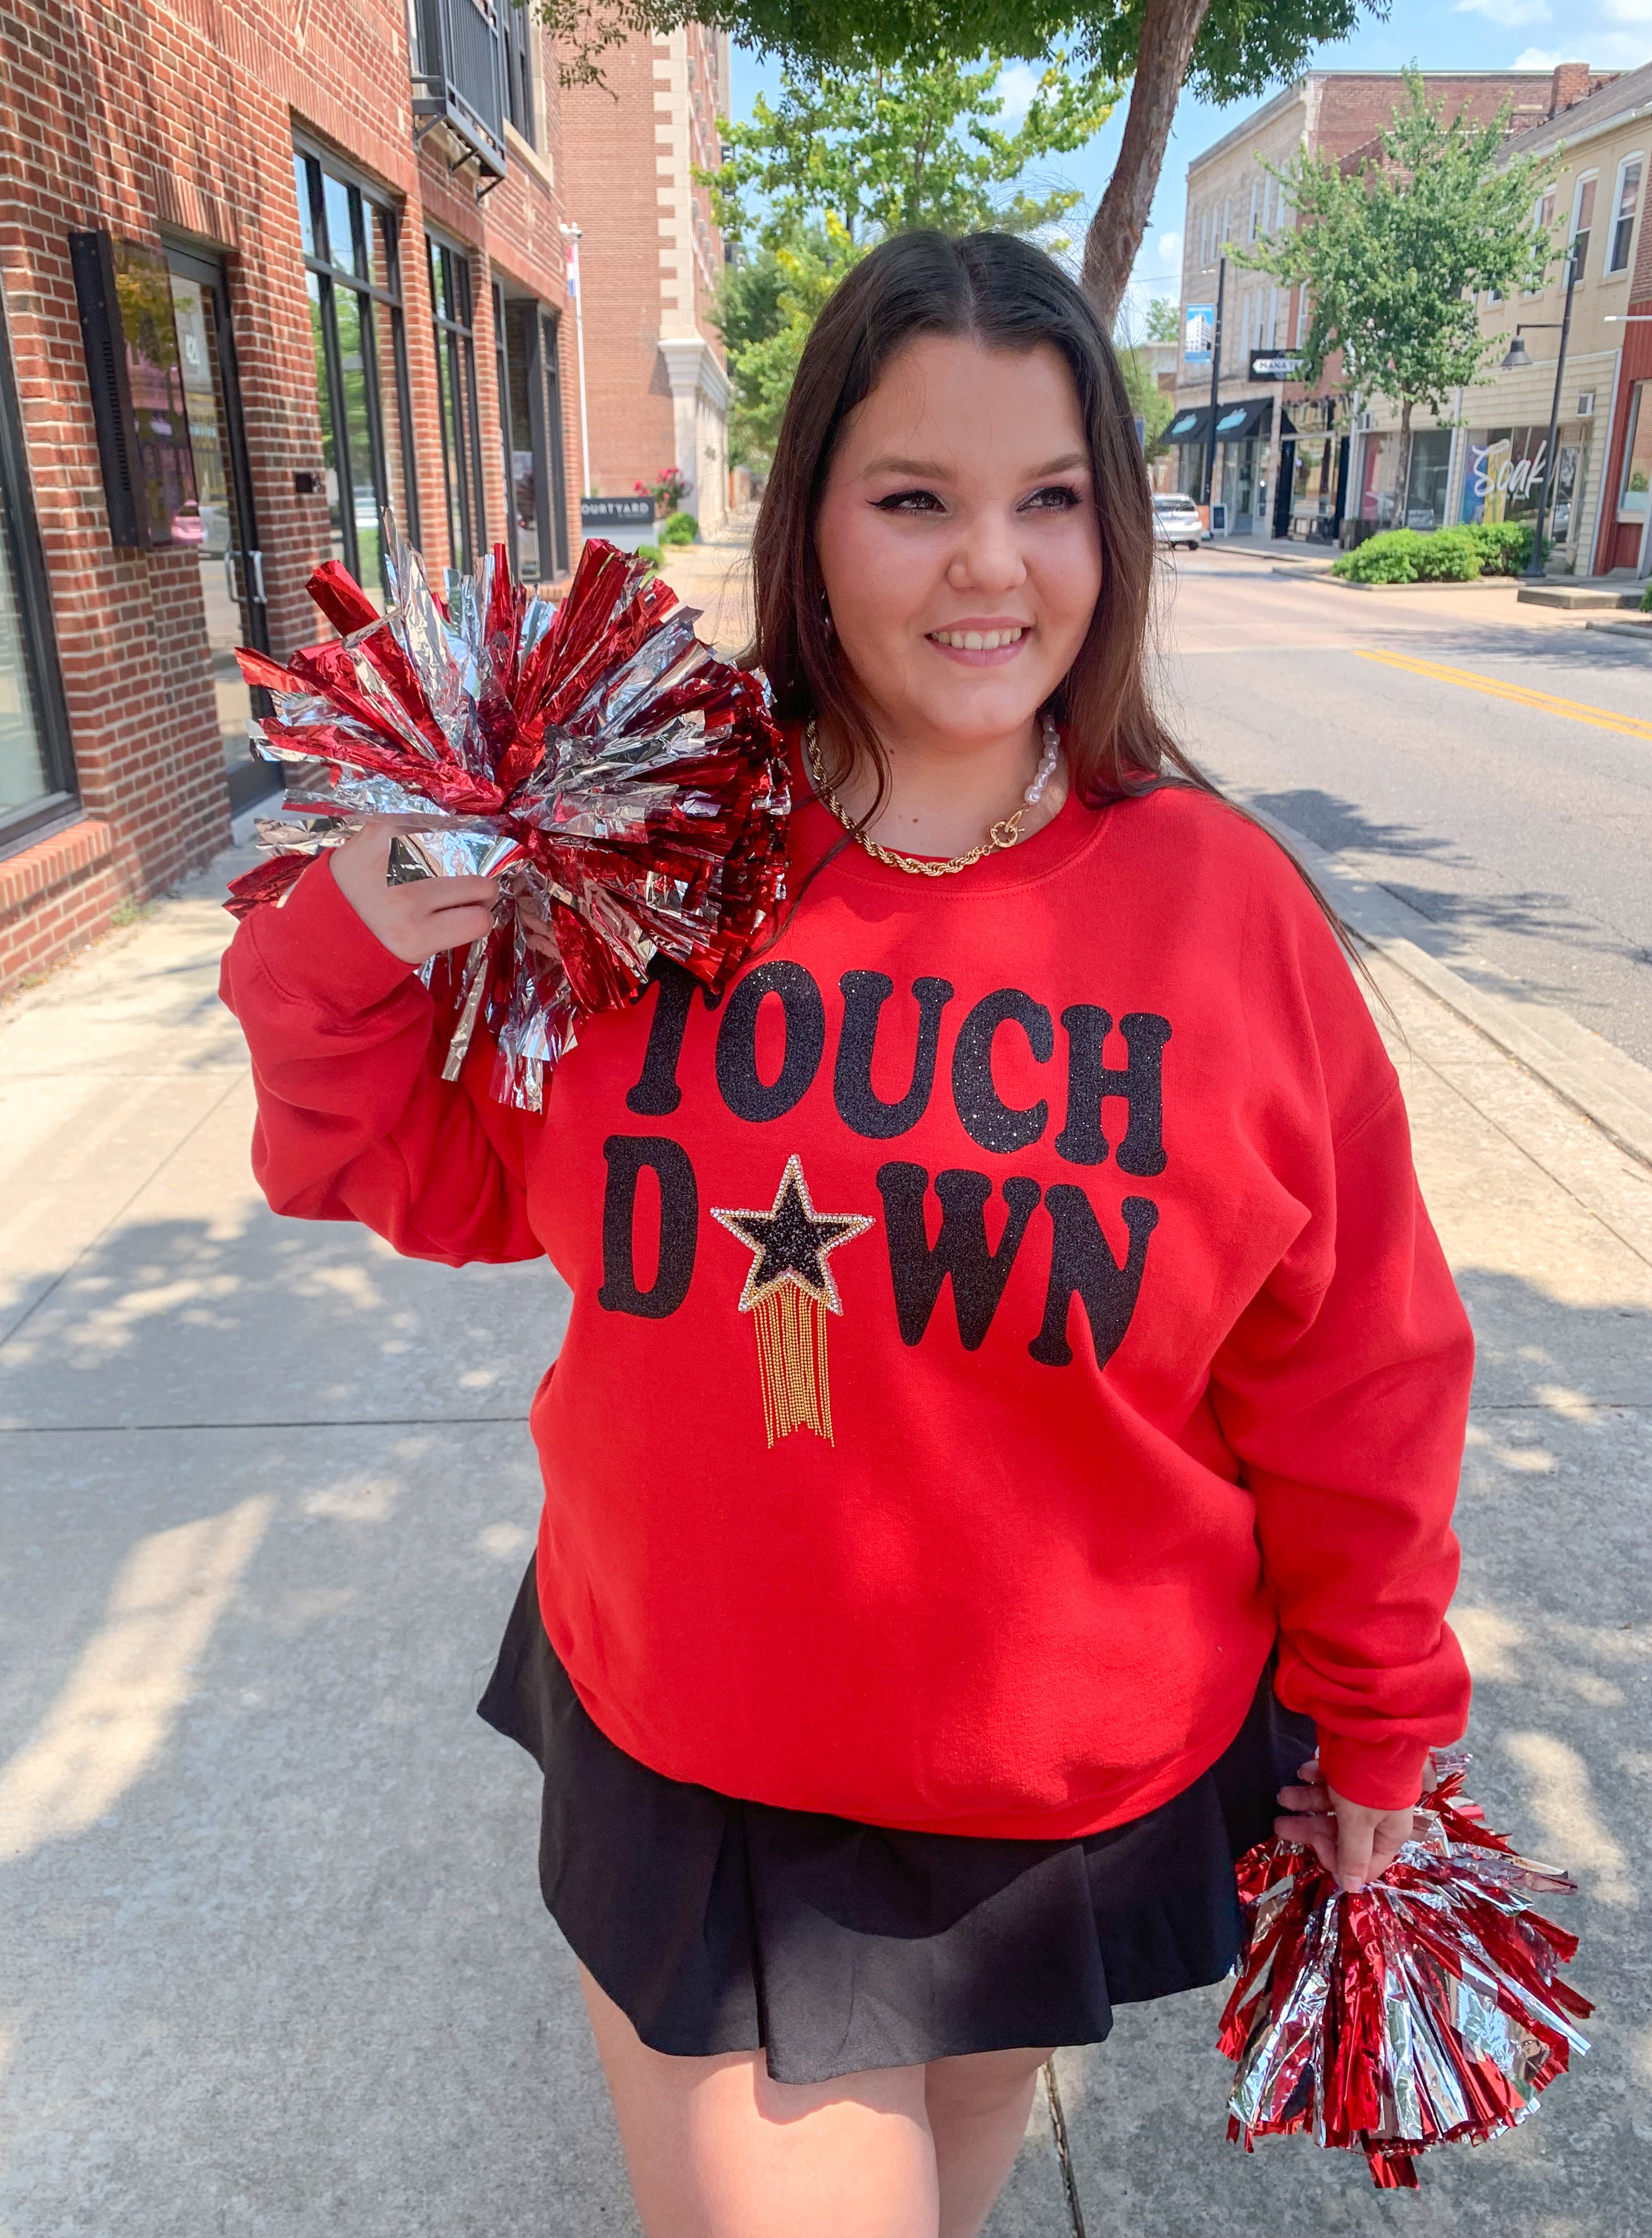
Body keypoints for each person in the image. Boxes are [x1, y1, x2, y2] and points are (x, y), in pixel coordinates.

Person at [221, 230, 1473, 2238]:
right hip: (703, 1754)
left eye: (1049, 498)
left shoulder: (1227, 912)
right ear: (810, 522)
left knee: (958, 2169)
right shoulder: (644, 856)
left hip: (1055, 1791)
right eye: (916, 500)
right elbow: (418, 1175)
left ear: (1115, 526)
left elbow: (1357, 1374)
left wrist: (1388, 1711)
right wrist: (348, 936)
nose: (994, 566)